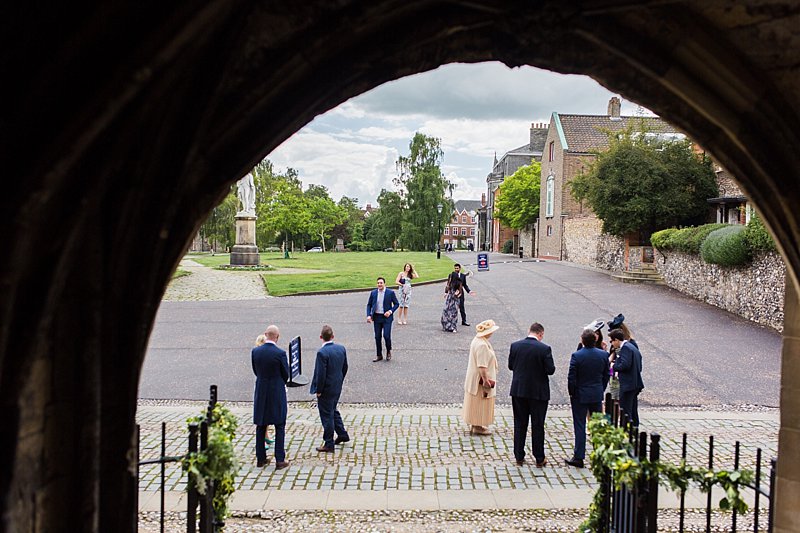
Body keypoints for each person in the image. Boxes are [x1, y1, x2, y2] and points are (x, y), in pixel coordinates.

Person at [508, 322, 555, 467]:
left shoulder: (515, 346)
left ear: (529, 331)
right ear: (540, 334)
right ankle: (539, 457)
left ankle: (519, 455)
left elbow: (511, 366)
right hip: (538, 392)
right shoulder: (544, 349)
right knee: (538, 425)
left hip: (519, 390)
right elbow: (550, 370)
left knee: (520, 423)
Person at [565, 329, 610, 468]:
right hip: (596, 393)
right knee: (597, 425)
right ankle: (599, 454)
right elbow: (606, 374)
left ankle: (579, 456)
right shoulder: (603, 355)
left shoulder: (577, 356)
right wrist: (600, 388)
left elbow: (572, 377)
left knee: (580, 425)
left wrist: (572, 393)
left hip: (580, 394)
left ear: (582, 341)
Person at [251, 324, 291, 470]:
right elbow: (285, 374)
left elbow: (256, 371)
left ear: (265, 335)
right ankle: (280, 459)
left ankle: (260, 458)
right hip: (276, 392)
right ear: (277, 337)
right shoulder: (280, 353)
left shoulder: (256, 352)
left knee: (261, 425)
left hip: (261, 390)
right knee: (279, 424)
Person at [310, 325, 350, 453]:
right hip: (336, 385)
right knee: (333, 410)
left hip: (326, 388)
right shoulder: (341, 349)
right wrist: (339, 379)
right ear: (333, 336)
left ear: (321, 337)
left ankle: (329, 443)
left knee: (326, 415)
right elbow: (345, 367)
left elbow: (320, 374)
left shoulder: (322, 353)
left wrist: (319, 389)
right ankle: (342, 433)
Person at [463, 319, 499, 436]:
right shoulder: (482, 345)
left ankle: (476, 424)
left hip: (473, 378)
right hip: (479, 380)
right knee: (480, 402)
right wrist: (486, 380)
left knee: (476, 402)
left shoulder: (477, 340)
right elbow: (482, 366)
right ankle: (478, 426)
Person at [609, 328, 644, 427]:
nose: (612, 344)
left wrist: (613, 366)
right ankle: (634, 428)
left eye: (612, 341)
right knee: (633, 409)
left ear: (616, 340)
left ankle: (626, 430)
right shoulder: (631, 347)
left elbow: (625, 365)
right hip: (634, 383)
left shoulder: (626, 348)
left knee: (625, 410)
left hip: (628, 385)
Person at [366, 277, 400, 362]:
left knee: (386, 336)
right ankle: (379, 355)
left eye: (381, 283)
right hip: (377, 317)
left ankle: (388, 351)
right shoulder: (373, 293)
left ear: (384, 284)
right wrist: (368, 315)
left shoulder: (390, 293)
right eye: (378, 283)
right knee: (377, 336)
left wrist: (390, 311)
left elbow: (396, 304)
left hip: (387, 318)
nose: (379, 284)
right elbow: (369, 305)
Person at [254, 334, 274, 450]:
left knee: (266, 414)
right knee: (262, 415)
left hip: (265, 386)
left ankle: (266, 436)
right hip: (264, 388)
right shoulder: (259, 354)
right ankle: (262, 440)